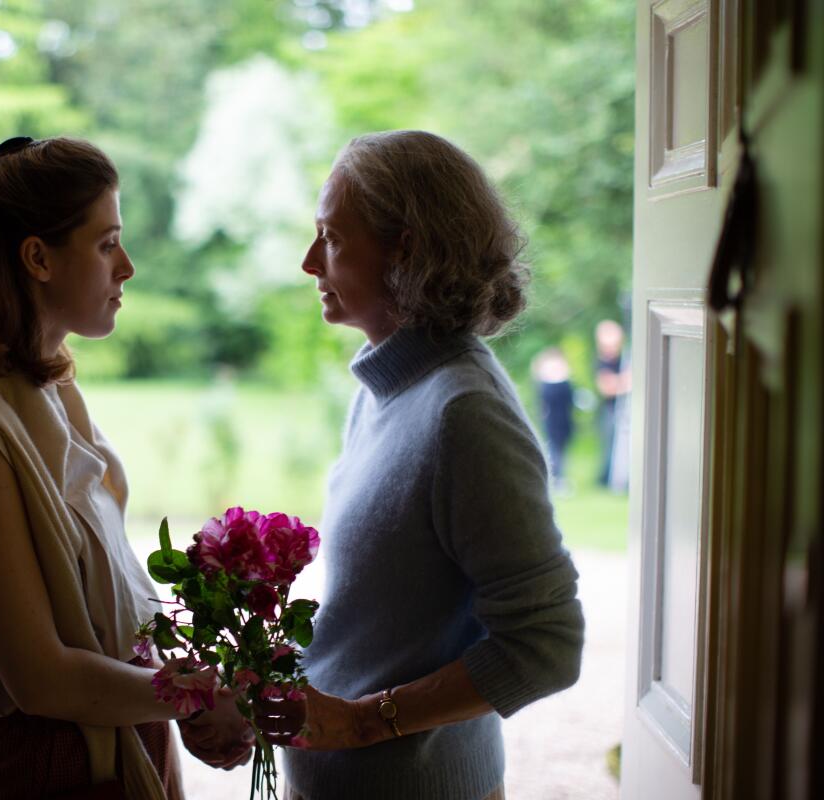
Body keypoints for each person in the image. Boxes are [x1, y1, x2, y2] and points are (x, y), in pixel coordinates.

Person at [0, 136, 251, 799]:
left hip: (114, 737)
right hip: (46, 767)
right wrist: (193, 699)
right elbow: (42, 677)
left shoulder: (51, 394)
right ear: (38, 258)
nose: (129, 267)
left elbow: (102, 600)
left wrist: (182, 679)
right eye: (107, 243)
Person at [255, 131, 584, 800]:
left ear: (404, 247)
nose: (308, 261)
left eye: (332, 237)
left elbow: (548, 644)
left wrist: (364, 725)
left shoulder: (464, 412)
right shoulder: (387, 390)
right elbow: (385, 615)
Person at [531, 347, 576, 492]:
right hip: (553, 420)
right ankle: (556, 478)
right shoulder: (548, 383)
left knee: (560, 448)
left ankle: (559, 477)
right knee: (554, 448)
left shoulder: (562, 381)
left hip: (563, 419)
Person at [594, 319, 630, 488]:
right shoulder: (602, 361)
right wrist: (625, 382)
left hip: (624, 409)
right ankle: (607, 479)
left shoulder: (624, 359)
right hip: (610, 409)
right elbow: (607, 387)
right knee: (610, 445)